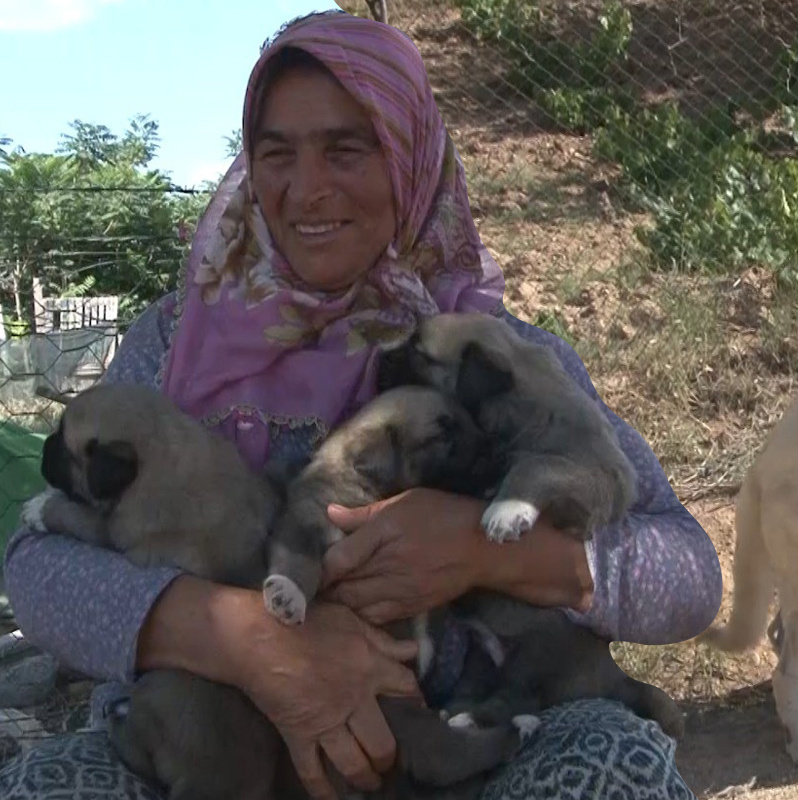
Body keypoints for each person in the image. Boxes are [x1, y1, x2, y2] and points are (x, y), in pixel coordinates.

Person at [0, 10, 720, 799]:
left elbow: (688, 572)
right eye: (276, 153)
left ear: (409, 156)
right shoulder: (175, 343)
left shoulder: (491, 353)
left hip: (468, 747)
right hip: (218, 743)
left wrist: (484, 553)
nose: (307, 188)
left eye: (347, 148)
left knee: (617, 775)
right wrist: (249, 644)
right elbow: (33, 571)